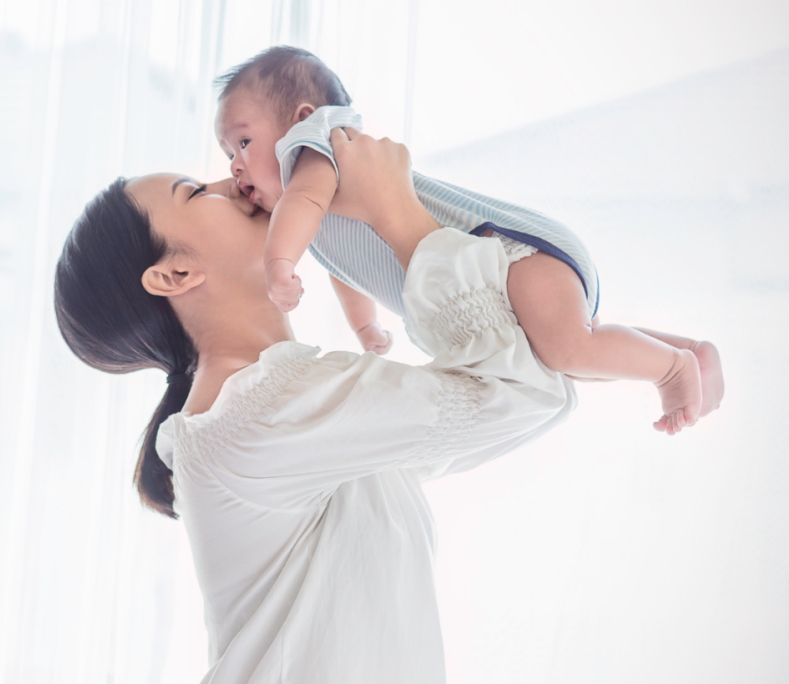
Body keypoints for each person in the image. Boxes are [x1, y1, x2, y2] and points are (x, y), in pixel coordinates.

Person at [54, 128, 575, 682]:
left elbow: (533, 390)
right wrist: (395, 213)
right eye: (194, 192)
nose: (230, 180)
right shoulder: (262, 412)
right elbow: (527, 393)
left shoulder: (275, 407)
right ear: (175, 275)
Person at [213, 46, 723, 435]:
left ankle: (671, 370)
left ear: (301, 118)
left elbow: (302, 204)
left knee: (571, 348)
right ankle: (688, 351)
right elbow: (344, 269)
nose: (234, 164)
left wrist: (278, 261)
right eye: (226, 152)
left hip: (508, 253)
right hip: (498, 277)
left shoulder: (321, 145)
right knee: (563, 355)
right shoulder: (316, 210)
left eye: (242, 141)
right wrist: (365, 325)